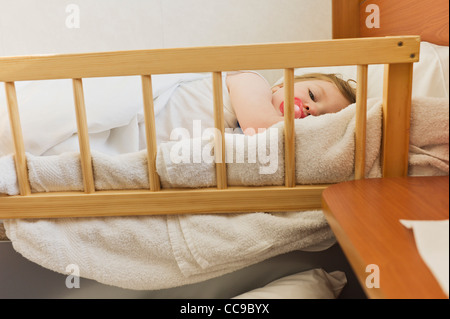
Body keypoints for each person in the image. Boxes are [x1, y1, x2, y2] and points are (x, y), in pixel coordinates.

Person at [226, 71, 357, 135]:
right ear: (281, 86)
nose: (314, 110)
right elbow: (259, 125)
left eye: (322, 118)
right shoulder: (253, 81)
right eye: (312, 95)